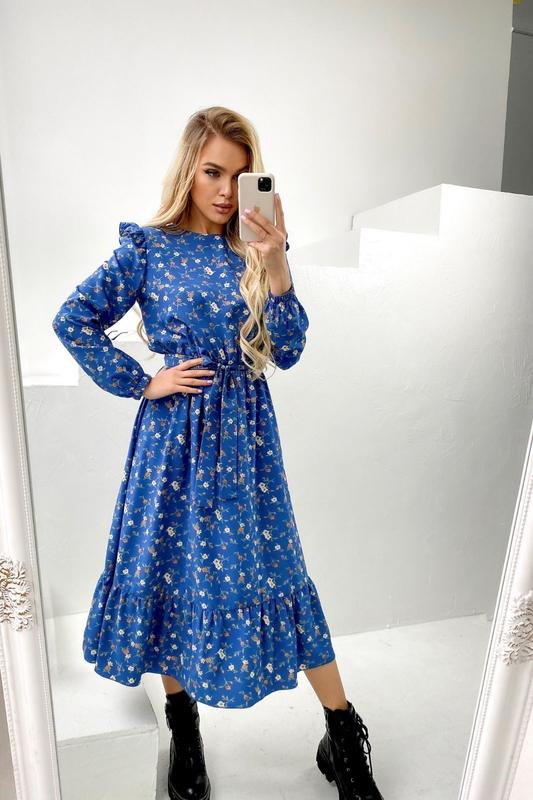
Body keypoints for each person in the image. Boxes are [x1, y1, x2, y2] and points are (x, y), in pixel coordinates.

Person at [52, 106, 384, 800]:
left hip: (247, 444)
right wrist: (142, 381)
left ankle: (341, 730)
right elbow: (72, 318)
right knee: (172, 573)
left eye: (239, 175)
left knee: (280, 573)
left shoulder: (252, 249)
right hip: (172, 440)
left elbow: (287, 351)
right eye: (212, 172)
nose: (227, 191)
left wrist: (276, 261)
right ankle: (185, 729)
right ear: (188, 171)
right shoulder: (146, 248)